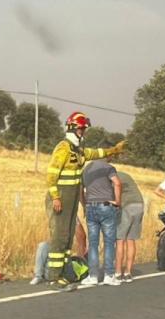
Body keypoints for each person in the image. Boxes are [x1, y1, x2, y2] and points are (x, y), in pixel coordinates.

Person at [44, 112, 124, 290]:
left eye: (83, 129)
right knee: (60, 236)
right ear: (72, 128)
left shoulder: (77, 150)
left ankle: (65, 271)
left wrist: (114, 150)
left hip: (72, 196)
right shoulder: (63, 148)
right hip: (62, 196)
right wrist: (56, 197)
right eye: (81, 129)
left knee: (68, 235)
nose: (83, 132)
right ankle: (54, 276)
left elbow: (96, 153)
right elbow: (51, 174)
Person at [81, 158, 122, 286]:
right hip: (106, 205)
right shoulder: (108, 167)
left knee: (93, 243)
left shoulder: (86, 169)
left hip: (90, 206)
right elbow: (117, 183)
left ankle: (93, 276)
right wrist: (118, 202)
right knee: (109, 242)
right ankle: (109, 275)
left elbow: (80, 189)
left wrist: (84, 204)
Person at [114, 170, 144, 283]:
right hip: (139, 205)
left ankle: (117, 273)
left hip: (127, 205)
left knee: (120, 240)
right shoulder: (126, 175)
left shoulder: (111, 177)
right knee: (131, 240)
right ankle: (128, 273)